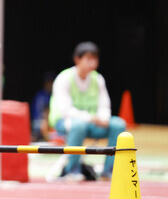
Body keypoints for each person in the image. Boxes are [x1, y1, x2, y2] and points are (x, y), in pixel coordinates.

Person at [48, 42, 126, 181]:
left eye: (95, 58)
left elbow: (104, 105)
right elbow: (65, 110)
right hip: (65, 122)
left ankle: (108, 171)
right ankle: (72, 170)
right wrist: (91, 118)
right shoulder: (64, 78)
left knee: (118, 124)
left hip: (92, 123)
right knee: (79, 126)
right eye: (88, 58)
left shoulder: (98, 79)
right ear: (77, 59)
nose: (93, 62)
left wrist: (104, 118)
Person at [31, 71, 55, 141]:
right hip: (38, 124)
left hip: (48, 126)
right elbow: (45, 113)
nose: (50, 84)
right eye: (49, 82)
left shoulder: (53, 95)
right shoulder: (41, 95)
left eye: (52, 82)